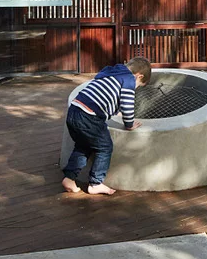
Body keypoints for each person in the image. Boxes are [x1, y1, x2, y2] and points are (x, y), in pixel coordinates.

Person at [62, 56, 152, 194]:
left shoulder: (112, 72)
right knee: (105, 147)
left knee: (83, 146)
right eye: (138, 85)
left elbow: (105, 95)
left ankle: (70, 178)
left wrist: (115, 111)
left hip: (75, 110)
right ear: (139, 76)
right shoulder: (129, 79)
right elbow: (127, 104)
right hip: (90, 116)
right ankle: (96, 183)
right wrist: (129, 123)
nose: (136, 88)